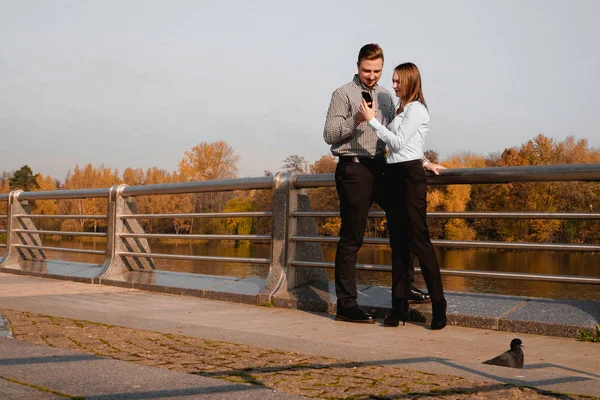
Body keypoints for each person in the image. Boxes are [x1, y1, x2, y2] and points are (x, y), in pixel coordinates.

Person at [323, 44, 445, 324]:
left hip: (386, 169)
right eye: (367, 70)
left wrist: (424, 163)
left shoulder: (387, 97)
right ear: (357, 66)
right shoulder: (342, 94)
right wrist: (357, 119)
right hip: (354, 169)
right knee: (352, 237)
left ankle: (404, 290)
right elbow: (329, 134)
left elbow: (401, 139)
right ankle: (347, 305)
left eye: (377, 71)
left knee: (402, 229)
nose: (372, 76)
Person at [359, 62, 447, 330]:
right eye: (393, 81)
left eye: (398, 81)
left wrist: (371, 121)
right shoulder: (402, 110)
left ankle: (439, 308)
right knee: (397, 244)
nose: (394, 85)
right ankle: (398, 309)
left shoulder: (418, 109)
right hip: (395, 176)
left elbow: (397, 143)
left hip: (410, 179)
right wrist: (424, 160)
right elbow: (406, 147)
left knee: (420, 243)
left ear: (410, 81)